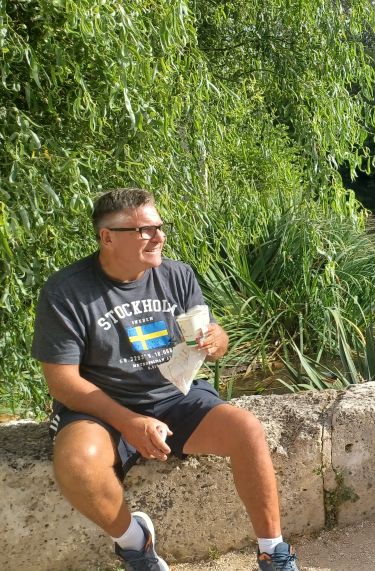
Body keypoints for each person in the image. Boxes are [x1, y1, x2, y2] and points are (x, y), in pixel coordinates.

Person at [32, 188, 299, 571]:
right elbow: (62, 383)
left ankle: (273, 552)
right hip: (102, 408)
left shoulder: (177, 274)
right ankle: (135, 543)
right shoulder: (66, 292)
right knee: (76, 462)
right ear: (107, 237)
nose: (159, 237)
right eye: (144, 230)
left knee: (247, 429)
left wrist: (217, 340)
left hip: (174, 396)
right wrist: (129, 422)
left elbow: (209, 332)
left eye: (160, 226)